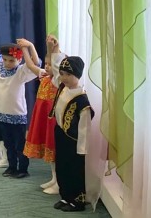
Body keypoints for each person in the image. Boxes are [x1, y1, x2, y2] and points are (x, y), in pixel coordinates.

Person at [0, 39, 42, 178]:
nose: (7, 63)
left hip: (17, 114)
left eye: (12, 60)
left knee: (20, 145)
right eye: (5, 59)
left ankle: (23, 169)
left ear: (19, 60)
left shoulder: (21, 71)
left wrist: (30, 46)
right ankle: (12, 166)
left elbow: (35, 64)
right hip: (1, 113)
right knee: (8, 144)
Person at [51, 56, 94, 212]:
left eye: (69, 74)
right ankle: (66, 196)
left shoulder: (82, 100)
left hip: (74, 140)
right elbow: (54, 70)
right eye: (62, 74)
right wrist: (53, 50)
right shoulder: (63, 88)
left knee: (74, 170)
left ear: (77, 74)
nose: (64, 78)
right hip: (61, 135)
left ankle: (77, 201)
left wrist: (82, 149)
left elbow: (84, 127)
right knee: (61, 167)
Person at [24, 35, 64, 194]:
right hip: (43, 118)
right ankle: (54, 178)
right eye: (46, 64)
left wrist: (52, 48)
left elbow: (57, 65)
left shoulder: (58, 81)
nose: (47, 67)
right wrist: (25, 47)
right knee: (49, 152)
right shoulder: (44, 77)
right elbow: (30, 64)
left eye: (50, 64)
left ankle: (59, 182)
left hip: (52, 120)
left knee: (54, 150)